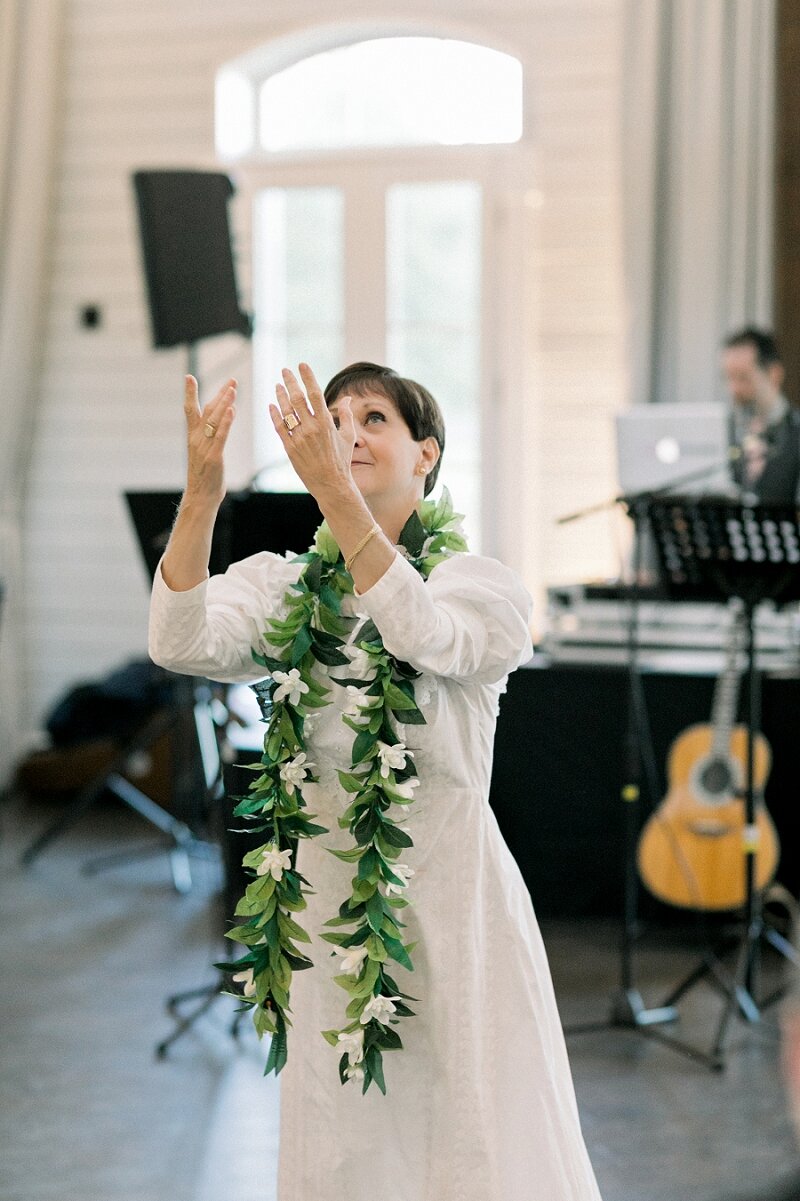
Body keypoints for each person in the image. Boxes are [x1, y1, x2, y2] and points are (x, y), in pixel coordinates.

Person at [148, 361, 603, 1201]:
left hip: (450, 903)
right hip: (328, 912)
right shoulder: (289, 588)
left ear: (427, 453)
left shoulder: (480, 585)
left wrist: (334, 493)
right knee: (348, 1142)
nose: (347, 432)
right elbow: (180, 642)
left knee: (469, 1127)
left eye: (374, 419)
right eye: (333, 419)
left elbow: (420, 631)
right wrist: (200, 496)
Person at [721, 326, 800, 503]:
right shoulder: (727, 433)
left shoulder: (795, 433)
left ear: (774, 374)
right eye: (729, 378)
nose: (734, 389)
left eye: (743, 377)